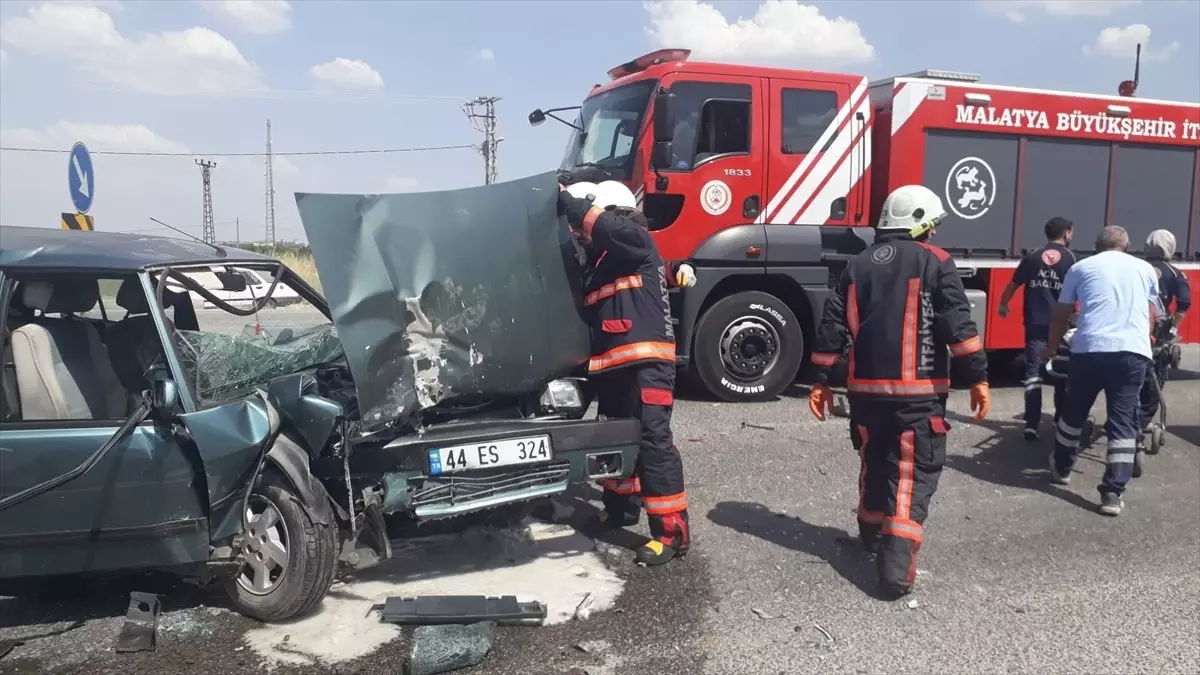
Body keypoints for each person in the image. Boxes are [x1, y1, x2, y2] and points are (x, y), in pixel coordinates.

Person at [807, 184, 990, 599]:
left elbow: (832, 327)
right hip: (917, 394)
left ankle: (871, 533)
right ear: (922, 223)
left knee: (875, 459)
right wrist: (977, 375)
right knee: (911, 473)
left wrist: (820, 379)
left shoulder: (856, 266)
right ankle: (893, 573)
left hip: (865, 394)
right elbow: (957, 325)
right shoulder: (936, 262)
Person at [557, 179, 695, 566]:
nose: (582, 235)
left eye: (587, 226)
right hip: (613, 367)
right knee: (617, 440)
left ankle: (671, 534)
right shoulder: (603, 261)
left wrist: (568, 202)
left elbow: (610, 232)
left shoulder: (632, 236)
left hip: (646, 365)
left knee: (654, 444)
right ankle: (621, 508)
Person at [1040, 225, 1163, 517]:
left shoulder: (1081, 267)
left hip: (1090, 349)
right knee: (1122, 420)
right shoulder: (1144, 269)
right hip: (1131, 354)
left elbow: (1062, 313)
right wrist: (1143, 342)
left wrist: (1052, 347)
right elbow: (1150, 314)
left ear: (1096, 245)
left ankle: (1062, 466)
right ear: (1127, 245)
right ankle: (1112, 493)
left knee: (1074, 412)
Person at [997, 217, 1077, 440]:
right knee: (1061, 371)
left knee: (1033, 373)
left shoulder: (1032, 256)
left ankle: (1031, 424)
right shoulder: (1071, 259)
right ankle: (1060, 419)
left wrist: (1003, 304)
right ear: (1067, 233)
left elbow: (1013, 284)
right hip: (1061, 326)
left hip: (1034, 322)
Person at [1139, 229, 1191, 436]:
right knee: (1156, 373)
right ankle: (1143, 418)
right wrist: (1173, 327)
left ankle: (1124, 415)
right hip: (1158, 330)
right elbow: (1185, 302)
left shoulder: (1136, 267)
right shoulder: (1174, 272)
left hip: (1131, 326)